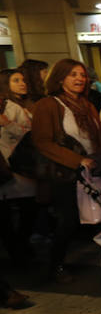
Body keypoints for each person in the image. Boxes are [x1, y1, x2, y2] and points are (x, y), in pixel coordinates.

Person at [31, 59, 101, 284]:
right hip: (65, 174)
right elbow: (43, 142)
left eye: (82, 75)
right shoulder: (48, 105)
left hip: (91, 171)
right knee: (68, 221)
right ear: (60, 78)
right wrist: (77, 160)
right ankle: (55, 265)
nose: (79, 78)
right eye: (73, 74)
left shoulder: (86, 104)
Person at [0, 69, 38, 275]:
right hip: (6, 167)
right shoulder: (10, 106)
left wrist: (8, 124)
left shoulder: (18, 107)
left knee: (28, 207)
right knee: (8, 214)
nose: (22, 83)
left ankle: (21, 246)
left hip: (18, 166)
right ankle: (17, 251)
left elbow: (30, 134)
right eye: (16, 80)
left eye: (23, 79)